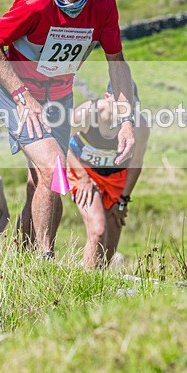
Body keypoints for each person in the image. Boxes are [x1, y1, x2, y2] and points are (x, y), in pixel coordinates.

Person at [0, 0, 136, 258]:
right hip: (20, 98)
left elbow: (116, 63)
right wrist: (23, 97)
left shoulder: (104, 5)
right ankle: (45, 260)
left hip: (60, 101)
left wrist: (126, 122)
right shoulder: (34, 5)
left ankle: (23, 256)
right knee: (54, 170)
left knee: (41, 181)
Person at [67, 89, 150, 268]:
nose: (126, 109)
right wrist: (82, 177)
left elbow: (136, 163)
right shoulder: (88, 113)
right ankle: (86, 279)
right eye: (121, 103)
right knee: (98, 230)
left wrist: (123, 200)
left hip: (116, 177)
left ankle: (97, 279)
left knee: (109, 245)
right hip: (85, 172)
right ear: (107, 97)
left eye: (131, 104)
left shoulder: (140, 125)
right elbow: (61, 142)